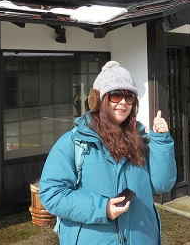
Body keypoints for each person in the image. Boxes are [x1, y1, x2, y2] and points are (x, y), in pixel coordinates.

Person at [39, 61, 176, 245]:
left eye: (129, 97)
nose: (123, 102)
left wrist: (161, 140)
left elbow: (162, 184)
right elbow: (51, 193)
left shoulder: (140, 140)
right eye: (116, 95)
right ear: (99, 100)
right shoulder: (74, 142)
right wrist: (103, 208)